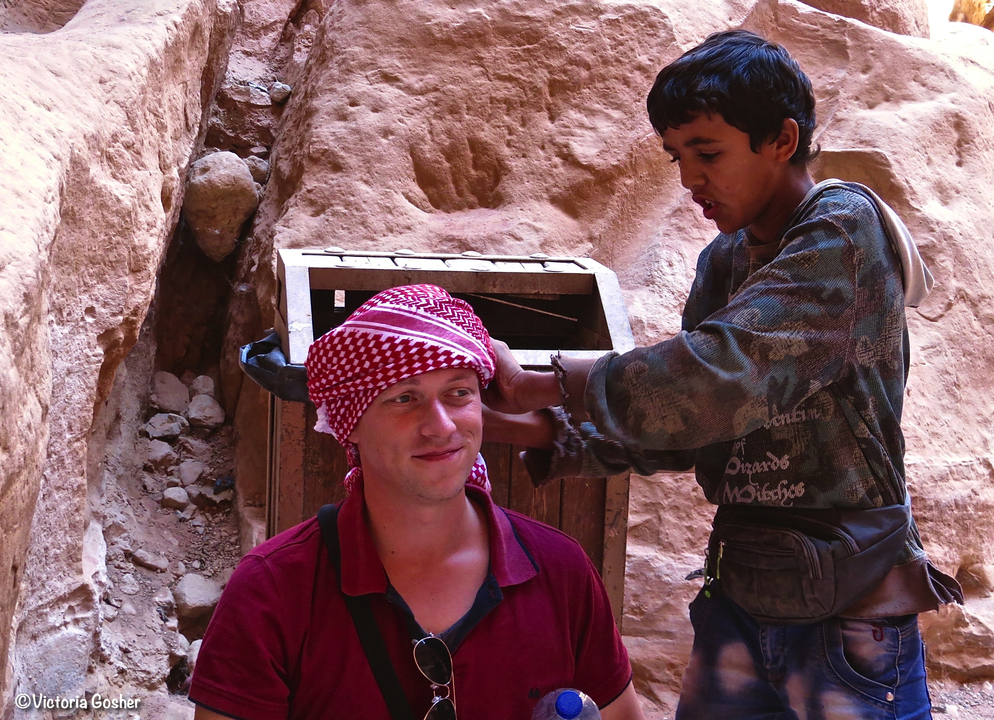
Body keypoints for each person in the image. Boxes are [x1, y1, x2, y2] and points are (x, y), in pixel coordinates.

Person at [484, 30, 961, 720]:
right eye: (677, 156)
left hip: (849, 614)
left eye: (708, 152)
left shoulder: (845, 229)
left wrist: (544, 380)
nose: (688, 179)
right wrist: (514, 425)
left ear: (782, 139)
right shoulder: (724, 260)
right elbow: (688, 426)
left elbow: (721, 377)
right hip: (740, 597)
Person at [188, 284, 644, 720]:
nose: (441, 426)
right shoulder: (272, 592)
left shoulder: (561, 571)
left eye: (459, 393)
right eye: (405, 398)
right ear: (352, 425)